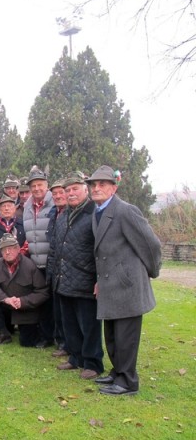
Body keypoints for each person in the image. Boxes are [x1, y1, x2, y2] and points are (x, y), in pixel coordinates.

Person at [86, 165, 162, 396]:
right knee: (111, 334)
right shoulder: (96, 211)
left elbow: (151, 245)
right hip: (109, 285)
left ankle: (128, 382)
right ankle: (118, 371)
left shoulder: (126, 211)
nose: (96, 188)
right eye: (93, 185)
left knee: (126, 336)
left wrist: (149, 272)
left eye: (102, 184)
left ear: (113, 188)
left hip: (127, 285)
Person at [47, 172, 104, 380]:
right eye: (67, 190)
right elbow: (55, 248)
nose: (70, 193)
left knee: (89, 325)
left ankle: (93, 363)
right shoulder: (63, 217)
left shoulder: (94, 214)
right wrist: (52, 275)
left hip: (86, 280)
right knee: (69, 323)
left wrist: (99, 279)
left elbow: (101, 250)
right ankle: (75, 357)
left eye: (75, 189)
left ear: (85, 190)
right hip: (63, 280)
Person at [0, 234, 50, 347]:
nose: (7, 252)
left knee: (27, 343)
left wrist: (23, 301)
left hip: (25, 309)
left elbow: (43, 292)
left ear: (18, 249)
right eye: (4, 249)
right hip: (7, 305)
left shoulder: (30, 265)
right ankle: (3, 332)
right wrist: (5, 299)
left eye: (10, 248)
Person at [22, 166, 55, 348]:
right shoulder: (28, 206)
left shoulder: (55, 203)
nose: (36, 189)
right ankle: (45, 335)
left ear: (46, 185)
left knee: (54, 302)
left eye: (40, 185)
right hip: (36, 261)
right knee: (41, 301)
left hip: (52, 260)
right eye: (33, 186)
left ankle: (56, 337)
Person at [46, 178, 69, 358]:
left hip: (71, 270)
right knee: (59, 310)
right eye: (55, 194)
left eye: (62, 192)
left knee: (71, 313)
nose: (58, 196)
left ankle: (72, 346)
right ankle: (63, 343)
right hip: (55, 268)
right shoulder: (54, 213)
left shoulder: (72, 213)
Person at [0, 194, 27, 265]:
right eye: (3, 206)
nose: (6, 208)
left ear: (14, 208)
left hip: (21, 265)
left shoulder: (23, 225)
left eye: (9, 206)